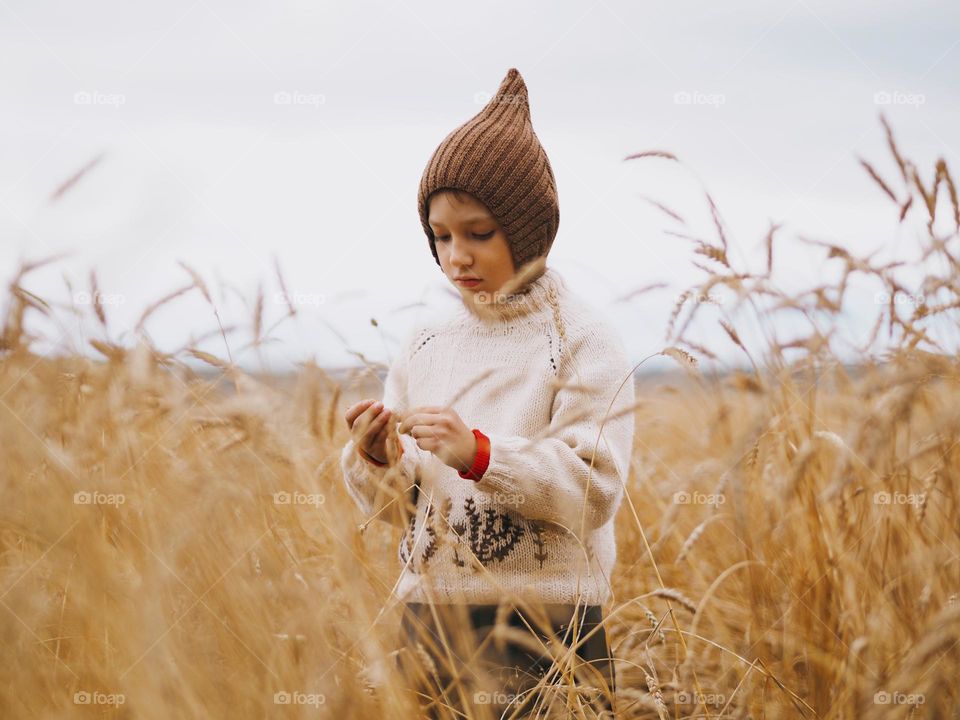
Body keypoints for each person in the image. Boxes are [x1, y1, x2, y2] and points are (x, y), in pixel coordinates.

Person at [341, 67, 636, 718]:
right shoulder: (425, 340)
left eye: (479, 233)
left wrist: (479, 453)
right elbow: (404, 507)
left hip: (546, 622)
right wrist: (379, 459)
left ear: (529, 232)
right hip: (432, 618)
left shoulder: (583, 339)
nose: (457, 257)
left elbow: (595, 488)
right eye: (440, 236)